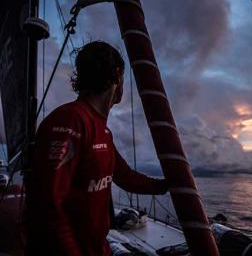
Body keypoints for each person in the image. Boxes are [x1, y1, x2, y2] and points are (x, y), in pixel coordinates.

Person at [25, 41, 168, 256]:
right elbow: (50, 204)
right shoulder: (71, 121)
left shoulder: (102, 130)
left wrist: (165, 185)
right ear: (118, 77)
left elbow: (125, 177)